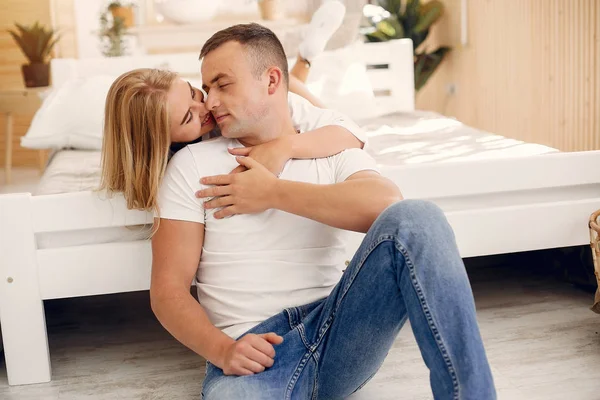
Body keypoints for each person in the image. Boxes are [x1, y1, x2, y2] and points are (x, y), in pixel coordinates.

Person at [151, 22, 497, 400]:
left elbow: (387, 208)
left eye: (223, 84)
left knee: (421, 218)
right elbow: (169, 290)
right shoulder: (192, 165)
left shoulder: (326, 144)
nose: (211, 102)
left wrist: (274, 192)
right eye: (207, 88)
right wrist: (223, 351)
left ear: (271, 81)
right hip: (255, 355)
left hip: (339, 331)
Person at [99, 0, 358, 213]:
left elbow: (348, 132)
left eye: (194, 93)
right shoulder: (170, 165)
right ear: (161, 142)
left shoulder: (241, 111)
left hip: (283, 90)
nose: (207, 106)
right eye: (189, 117)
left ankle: (307, 56)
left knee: (289, 90)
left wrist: (282, 146)